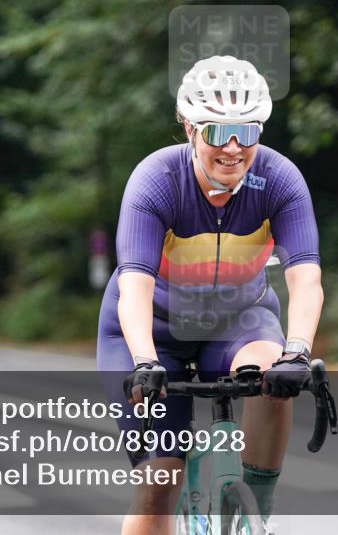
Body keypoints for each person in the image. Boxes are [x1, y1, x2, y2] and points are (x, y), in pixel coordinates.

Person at [97, 55, 323, 535]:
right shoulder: (157, 181)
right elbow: (134, 284)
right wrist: (144, 362)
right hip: (153, 331)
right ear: (189, 128)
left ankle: (256, 511)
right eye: (218, 132)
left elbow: (306, 278)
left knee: (271, 374)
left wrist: (299, 353)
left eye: (248, 131)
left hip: (240, 319)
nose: (234, 147)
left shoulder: (280, 180)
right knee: (161, 483)